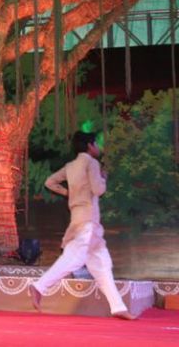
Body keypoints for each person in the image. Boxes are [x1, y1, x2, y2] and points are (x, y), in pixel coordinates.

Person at [29, 131, 136, 320]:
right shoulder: (91, 163)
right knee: (75, 258)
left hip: (83, 218)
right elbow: (98, 190)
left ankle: (118, 307)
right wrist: (103, 178)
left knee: (102, 264)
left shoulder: (71, 166)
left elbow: (50, 182)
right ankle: (39, 286)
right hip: (87, 219)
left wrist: (69, 193)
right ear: (89, 146)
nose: (99, 147)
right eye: (96, 144)